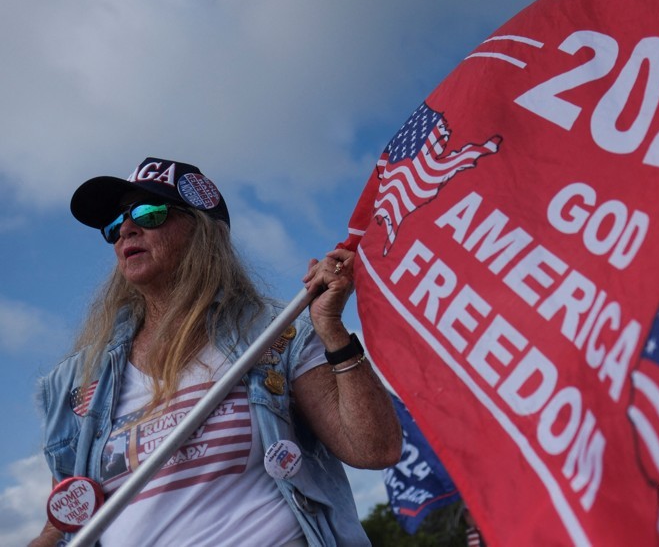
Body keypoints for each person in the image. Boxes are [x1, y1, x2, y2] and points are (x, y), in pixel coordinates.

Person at [32, 157, 402, 546]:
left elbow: (375, 448)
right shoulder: (78, 380)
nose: (125, 228)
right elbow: (65, 520)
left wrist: (332, 331)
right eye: (114, 225)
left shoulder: (277, 334)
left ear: (203, 230)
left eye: (149, 212)